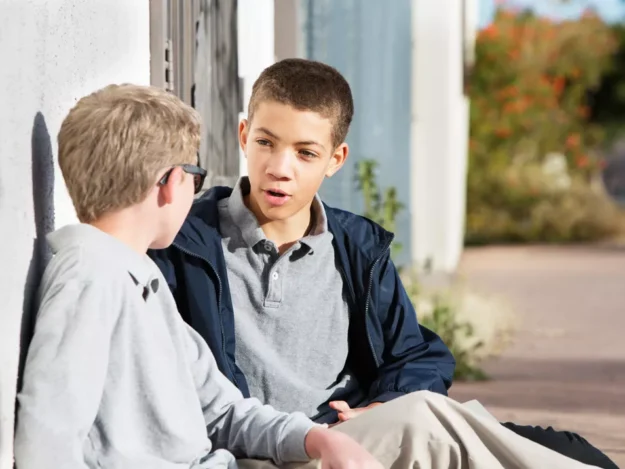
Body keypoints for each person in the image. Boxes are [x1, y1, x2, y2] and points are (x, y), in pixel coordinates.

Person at [149, 58, 618, 469]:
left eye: (305, 153)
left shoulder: (356, 246)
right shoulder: (186, 237)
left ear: (335, 160)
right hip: (250, 451)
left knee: (555, 445)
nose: (280, 167)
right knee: (431, 423)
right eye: (267, 143)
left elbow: (417, 355)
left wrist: (383, 404)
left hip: (345, 442)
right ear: (244, 135)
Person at [13, 84, 383, 469]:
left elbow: (222, 411)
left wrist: (316, 438)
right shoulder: (90, 275)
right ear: (173, 182)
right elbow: (47, 440)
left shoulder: (141, 280)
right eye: (196, 176)